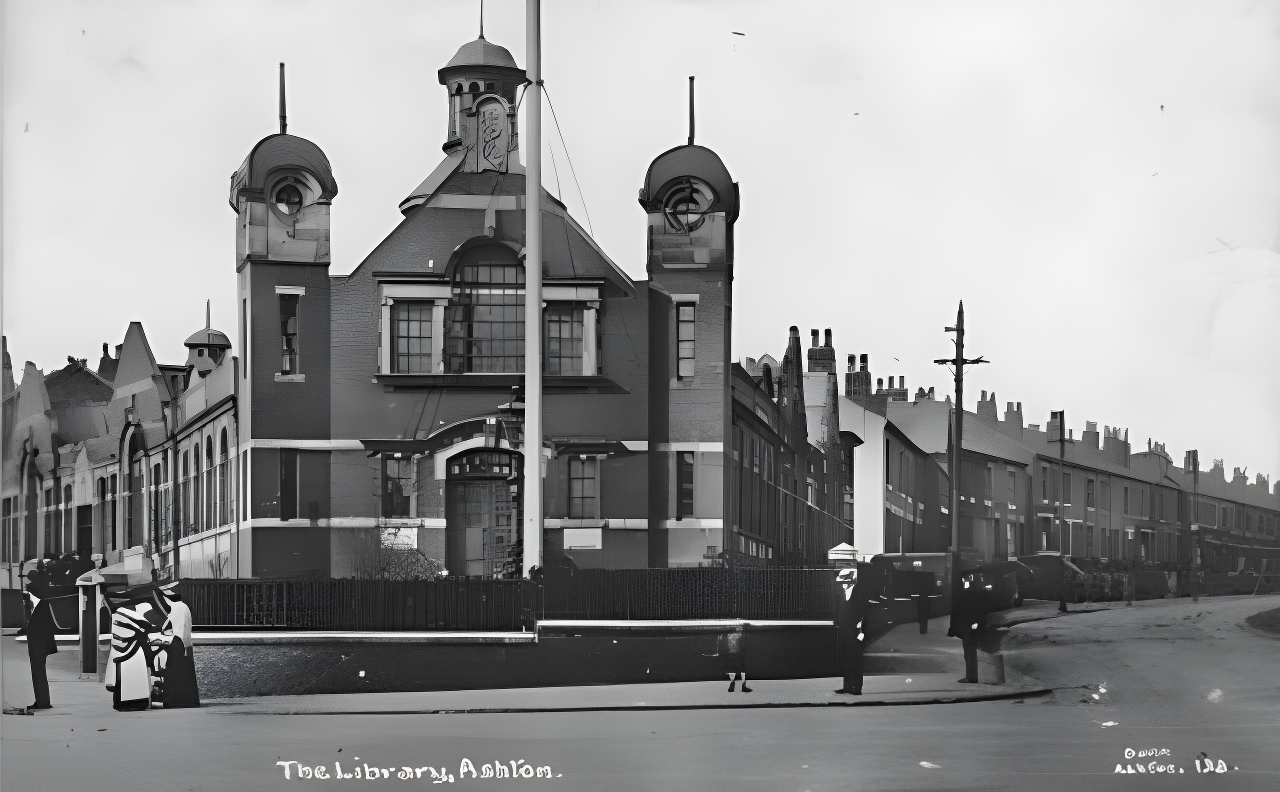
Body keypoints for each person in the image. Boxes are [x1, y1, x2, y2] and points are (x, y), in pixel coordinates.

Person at [156, 582, 200, 708]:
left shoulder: (175, 609)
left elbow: (172, 629)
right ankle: (184, 700)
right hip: (184, 645)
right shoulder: (183, 607)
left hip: (177, 646)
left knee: (176, 675)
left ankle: (176, 701)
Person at [834, 566, 874, 695]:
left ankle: (856, 688)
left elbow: (865, 615)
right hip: (845, 630)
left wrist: (862, 631)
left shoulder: (860, 595)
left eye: (844, 582)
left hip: (856, 631)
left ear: (851, 581)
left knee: (855, 660)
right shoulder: (843, 594)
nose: (842, 585)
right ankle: (847, 686)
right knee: (847, 659)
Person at [112, 603, 158, 711]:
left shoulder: (120, 629)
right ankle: (139, 703)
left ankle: (122, 703)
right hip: (138, 661)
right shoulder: (139, 635)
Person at [24, 564, 58, 710]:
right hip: (41, 637)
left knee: (38, 670)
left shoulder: (40, 599)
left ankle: (42, 701)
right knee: (39, 670)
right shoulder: (44, 600)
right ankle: (42, 700)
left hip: (38, 638)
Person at [948, 566, 989, 683]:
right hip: (973, 624)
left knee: (969, 651)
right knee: (971, 650)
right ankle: (972, 675)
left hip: (968, 625)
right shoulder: (981, 593)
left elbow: (960, 610)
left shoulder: (967, 594)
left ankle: (971, 676)